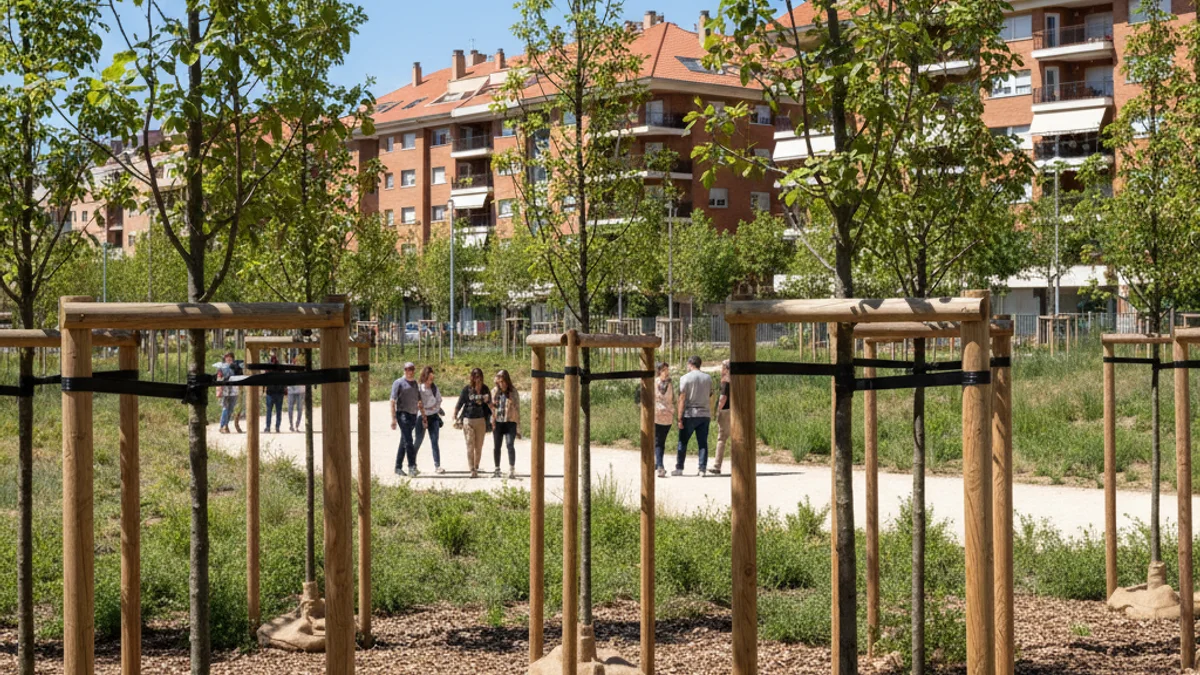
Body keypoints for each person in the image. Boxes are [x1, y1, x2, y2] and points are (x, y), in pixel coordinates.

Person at [674, 355, 712, 476]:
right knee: (702, 443)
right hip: (705, 413)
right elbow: (711, 394)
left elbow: (682, 398)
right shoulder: (708, 378)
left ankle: (679, 467)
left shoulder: (685, 378)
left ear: (690, 364)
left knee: (683, 441)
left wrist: (679, 417)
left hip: (690, 413)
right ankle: (702, 468)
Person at [455, 367, 491, 479]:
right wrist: (455, 414)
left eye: (479, 376)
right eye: (475, 376)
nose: (477, 378)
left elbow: (490, 404)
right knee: (470, 445)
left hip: (481, 420)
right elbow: (460, 402)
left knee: (478, 447)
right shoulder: (467, 389)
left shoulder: (485, 389)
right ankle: (472, 469)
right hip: (468, 419)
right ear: (472, 377)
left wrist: (493, 415)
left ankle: (476, 465)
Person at [390, 362, 421, 477]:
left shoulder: (415, 383)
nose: (410, 372)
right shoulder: (398, 383)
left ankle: (398, 467)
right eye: (408, 369)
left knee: (404, 440)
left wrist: (422, 414)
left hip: (413, 415)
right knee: (409, 440)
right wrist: (393, 419)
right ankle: (412, 467)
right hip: (402, 415)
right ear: (404, 370)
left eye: (412, 369)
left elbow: (418, 399)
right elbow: (392, 401)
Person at [415, 366, 445, 474]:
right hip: (421, 417)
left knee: (434, 441)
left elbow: (439, 400)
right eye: (429, 379)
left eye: (432, 379)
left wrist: (435, 408)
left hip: (433, 417)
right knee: (418, 440)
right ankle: (412, 464)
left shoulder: (434, 388)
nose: (430, 381)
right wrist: (426, 409)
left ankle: (437, 466)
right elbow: (417, 404)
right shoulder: (419, 388)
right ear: (424, 377)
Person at [491, 369, 520, 479]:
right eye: (499, 382)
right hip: (498, 422)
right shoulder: (494, 391)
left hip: (510, 422)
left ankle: (511, 469)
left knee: (509, 444)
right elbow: (491, 407)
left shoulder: (513, 392)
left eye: (503, 381)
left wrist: (518, 426)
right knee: (497, 446)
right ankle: (497, 469)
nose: (501, 384)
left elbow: (517, 409)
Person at [653, 362, 674, 478]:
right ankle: (660, 466)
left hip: (667, 416)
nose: (667, 371)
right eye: (664, 369)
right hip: (658, 414)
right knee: (659, 441)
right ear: (659, 371)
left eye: (667, 369)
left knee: (660, 441)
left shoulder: (669, 383)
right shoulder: (655, 382)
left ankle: (657, 464)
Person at [711, 360, 731, 475]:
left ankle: (717, 465)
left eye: (722, 367)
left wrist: (717, 409)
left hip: (725, 411)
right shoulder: (737, 380)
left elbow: (723, 398)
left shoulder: (725, 382)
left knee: (721, 439)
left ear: (726, 369)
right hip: (736, 410)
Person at [216, 352, 240, 433]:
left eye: (230, 357)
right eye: (227, 357)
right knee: (225, 408)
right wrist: (219, 389)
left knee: (230, 409)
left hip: (234, 390)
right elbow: (218, 378)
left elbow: (240, 375)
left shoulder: (236, 367)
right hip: (225, 389)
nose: (229, 358)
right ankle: (222, 426)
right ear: (225, 358)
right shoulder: (221, 367)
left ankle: (226, 425)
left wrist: (236, 369)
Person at [263, 352, 285, 434]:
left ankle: (269, 427)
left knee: (270, 411)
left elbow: (265, 378)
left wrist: (264, 389)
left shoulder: (268, 368)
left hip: (272, 392)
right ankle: (277, 427)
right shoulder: (281, 367)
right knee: (277, 410)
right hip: (278, 392)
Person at [286, 356, 304, 432]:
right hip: (291, 391)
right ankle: (291, 425)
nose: (294, 360)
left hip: (300, 391)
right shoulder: (288, 368)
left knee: (300, 409)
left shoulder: (301, 367)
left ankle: (297, 425)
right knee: (290, 409)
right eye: (293, 359)